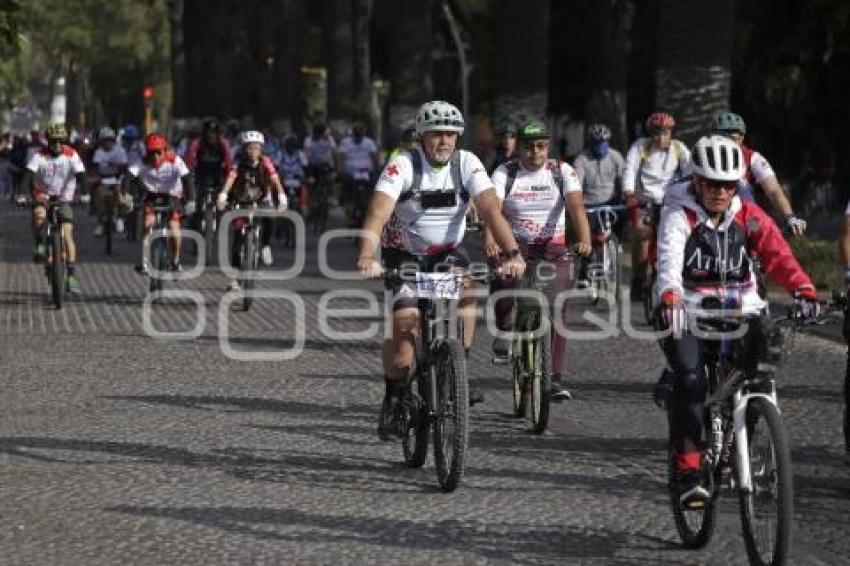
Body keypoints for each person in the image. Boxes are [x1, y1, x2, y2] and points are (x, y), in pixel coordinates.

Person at [656, 135, 818, 507]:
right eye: (712, 183)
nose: (720, 192)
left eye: (728, 185)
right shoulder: (678, 214)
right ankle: (689, 470)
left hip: (741, 305)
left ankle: (739, 437)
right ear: (696, 181)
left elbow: (777, 254)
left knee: (758, 370)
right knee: (692, 379)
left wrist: (804, 289)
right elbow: (668, 258)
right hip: (687, 305)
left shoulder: (747, 214)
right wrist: (669, 294)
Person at [357, 100, 526, 439]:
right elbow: (378, 212)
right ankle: (395, 397)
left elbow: (491, 210)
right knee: (406, 324)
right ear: (422, 136)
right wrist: (366, 255)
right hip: (403, 254)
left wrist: (514, 253)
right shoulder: (402, 165)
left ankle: (456, 369)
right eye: (436, 135)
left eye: (450, 134)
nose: (443, 142)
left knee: (467, 290)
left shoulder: (467, 163)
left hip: (447, 252)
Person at [485, 120, 592, 401]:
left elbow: (576, 207)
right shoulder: (504, 173)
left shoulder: (561, 171)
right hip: (516, 244)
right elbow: (492, 211)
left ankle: (554, 378)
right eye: (529, 147)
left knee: (559, 308)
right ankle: (506, 328)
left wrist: (584, 239)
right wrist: (492, 239)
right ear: (519, 148)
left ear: (548, 147)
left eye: (541, 146)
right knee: (503, 278)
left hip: (553, 248)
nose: (535, 152)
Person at [622, 112, 690, 300]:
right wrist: (628, 192)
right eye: (657, 133)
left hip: (671, 202)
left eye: (665, 133)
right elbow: (630, 169)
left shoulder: (679, 148)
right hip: (645, 201)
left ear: (671, 133)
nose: (661, 138)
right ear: (650, 134)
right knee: (642, 238)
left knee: (676, 240)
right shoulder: (640, 147)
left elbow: (690, 171)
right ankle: (638, 279)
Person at [711, 112, 806, 236]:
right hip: (712, 217)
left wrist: (790, 217)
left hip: (746, 219)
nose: (730, 143)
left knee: (761, 233)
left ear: (742, 138)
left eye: (735, 139)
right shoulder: (702, 156)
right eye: (724, 138)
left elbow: (774, 191)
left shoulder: (753, 158)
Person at [216, 131, 287, 291]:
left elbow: (276, 181)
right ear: (244, 149)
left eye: (256, 148)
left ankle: (265, 245)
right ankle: (234, 276)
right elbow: (230, 179)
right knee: (237, 237)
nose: (253, 151)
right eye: (249, 148)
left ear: (261, 149)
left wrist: (282, 198)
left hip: (262, 199)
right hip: (241, 200)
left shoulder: (266, 162)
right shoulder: (238, 163)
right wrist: (223, 195)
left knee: (270, 219)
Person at [24, 123, 87, 293]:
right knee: (38, 215)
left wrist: (85, 192)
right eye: (53, 141)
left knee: (67, 235)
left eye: (60, 141)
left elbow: (81, 175)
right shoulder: (39, 155)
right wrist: (22, 194)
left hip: (64, 197)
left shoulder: (71, 154)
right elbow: (28, 174)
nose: (57, 145)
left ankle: (71, 276)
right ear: (48, 142)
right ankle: (39, 244)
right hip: (42, 194)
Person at [128, 133, 195, 275]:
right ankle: (145, 263)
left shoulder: (175, 160)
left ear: (165, 151)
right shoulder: (142, 161)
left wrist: (191, 201)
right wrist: (127, 195)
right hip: (152, 195)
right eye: (152, 153)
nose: (155, 157)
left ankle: (175, 261)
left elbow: (187, 179)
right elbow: (129, 177)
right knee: (147, 225)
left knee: (173, 227)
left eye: (159, 152)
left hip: (172, 194)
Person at [573, 123, 626, 287]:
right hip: (590, 203)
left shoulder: (616, 157)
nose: (601, 146)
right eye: (597, 143)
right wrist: (578, 203)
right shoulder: (581, 160)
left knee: (624, 215)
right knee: (585, 235)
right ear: (591, 143)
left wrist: (625, 195)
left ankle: (617, 244)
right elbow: (576, 185)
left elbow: (623, 180)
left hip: (611, 201)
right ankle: (584, 273)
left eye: (604, 142)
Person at [185, 118, 233, 245]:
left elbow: (229, 164)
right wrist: (188, 175)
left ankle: (220, 226)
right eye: (208, 132)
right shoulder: (197, 143)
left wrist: (229, 180)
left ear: (218, 133)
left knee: (222, 204)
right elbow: (189, 161)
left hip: (218, 176)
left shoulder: (223, 144)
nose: (210, 135)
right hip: (200, 176)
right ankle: (194, 230)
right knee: (196, 205)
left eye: (213, 132)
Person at [338, 121, 379, 227]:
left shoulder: (369, 143)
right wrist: (341, 171)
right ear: (353, 134)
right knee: (348, 194)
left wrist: (376, 171)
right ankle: (348, 214)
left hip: (366, 173)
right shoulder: (345, 142)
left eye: (360, 135)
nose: (358, 138)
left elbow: (375, 159)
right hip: (350, 174)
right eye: (356, 135)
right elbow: (341, 158)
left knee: (373, 193)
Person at [91, 127, 129, 236]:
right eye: (105, 140)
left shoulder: (120, 151)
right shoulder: (98, 152)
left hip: (118, 179)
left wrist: (116, 167)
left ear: (113, 140)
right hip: (104, 180)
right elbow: (96, 168)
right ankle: (100, 223)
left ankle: (120, 218)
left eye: (109, 140)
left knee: (121, 196)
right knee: (98, 194)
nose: (107, 143)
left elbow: (124, 166)